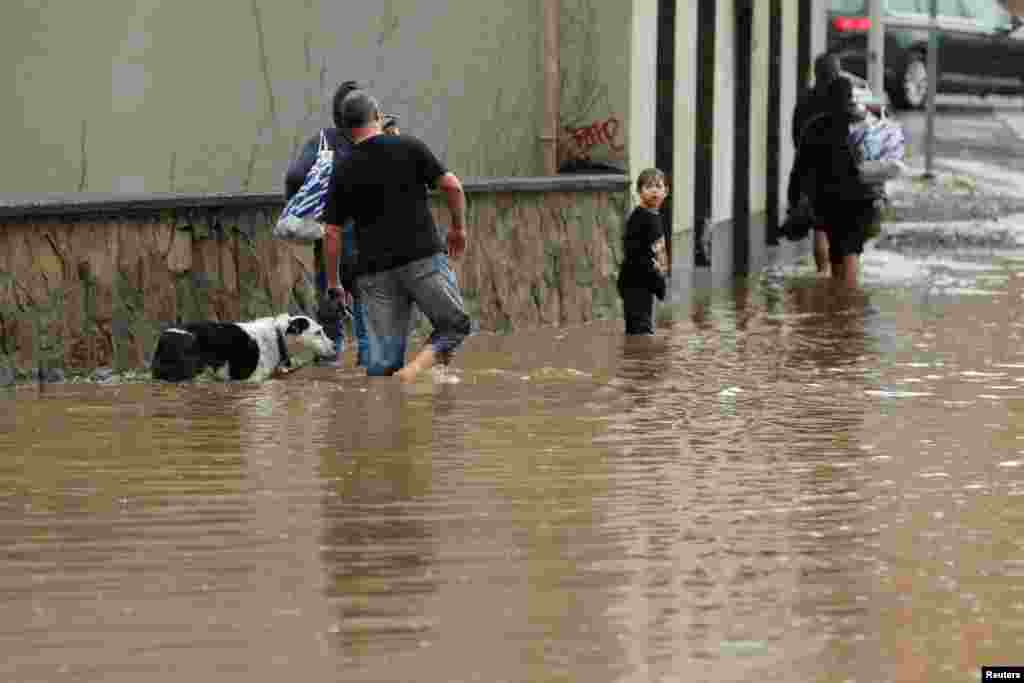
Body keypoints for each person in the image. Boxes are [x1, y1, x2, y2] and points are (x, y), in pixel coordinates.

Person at [322, 91, 471, 382]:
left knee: (381, 367)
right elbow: (452, 187)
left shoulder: (342, 169)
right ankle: (414, 372)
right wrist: (458, 228)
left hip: (374, 274)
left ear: (345, 129)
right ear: (377, 116)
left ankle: (390, 405)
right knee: (453, 326)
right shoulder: (408, 146)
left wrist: (333, 283)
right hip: (423, 259)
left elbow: (331, 233)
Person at [284, 79, 364, 366]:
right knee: (367, 306)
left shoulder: (322, 140)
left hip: (331, 238)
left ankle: (330, 364)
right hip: (369, 241)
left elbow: (295, 176)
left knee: (331, 298)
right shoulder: (373, 142)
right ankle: (371, 367)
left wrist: (305, 210)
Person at [787, 76, 883, 288]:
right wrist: (880, 197)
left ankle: (844, 308)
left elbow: (799, 170)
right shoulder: (864, 125)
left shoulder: (815, 127)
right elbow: (879, 166)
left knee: (840, 256)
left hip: (832, 204)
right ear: (850, 99)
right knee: (848, 254)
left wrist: (794, 202)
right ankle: (846, 308)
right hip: (860, 204)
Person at [789, 53, 843, 275]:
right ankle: (838, 278)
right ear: (835, 73)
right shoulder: (840, 99)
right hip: (837, 169)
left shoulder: (804, 101)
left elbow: (796, 134)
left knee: (820, 227)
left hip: (810, 169)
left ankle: (822, 273)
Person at [617, 168, 669, 335]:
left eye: (658, 186)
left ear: (665, 191)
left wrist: (659, 279)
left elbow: (657, 250)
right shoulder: (639, 219)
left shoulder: (653, 216)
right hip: (636, 284)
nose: (654, 190)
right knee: (640, 333)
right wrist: (657, 283)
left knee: (642, 330)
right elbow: (636, 256)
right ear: (640, 192)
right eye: (648, 186)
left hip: (645, 284)